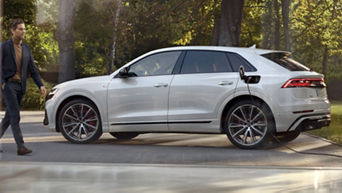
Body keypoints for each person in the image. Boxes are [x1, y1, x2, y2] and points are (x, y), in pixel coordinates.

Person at [0, 18, 47, 155]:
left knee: (9, 117)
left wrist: (40, 85)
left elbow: (32, 69)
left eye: (24, 29)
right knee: (15, 115)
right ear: (13, 31)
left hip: (21, 86)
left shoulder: (26, 49)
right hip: (9, 85)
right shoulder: (4, 46)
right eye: (20, 29)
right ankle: (20, 146)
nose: (23, 31)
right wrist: (2, 81)